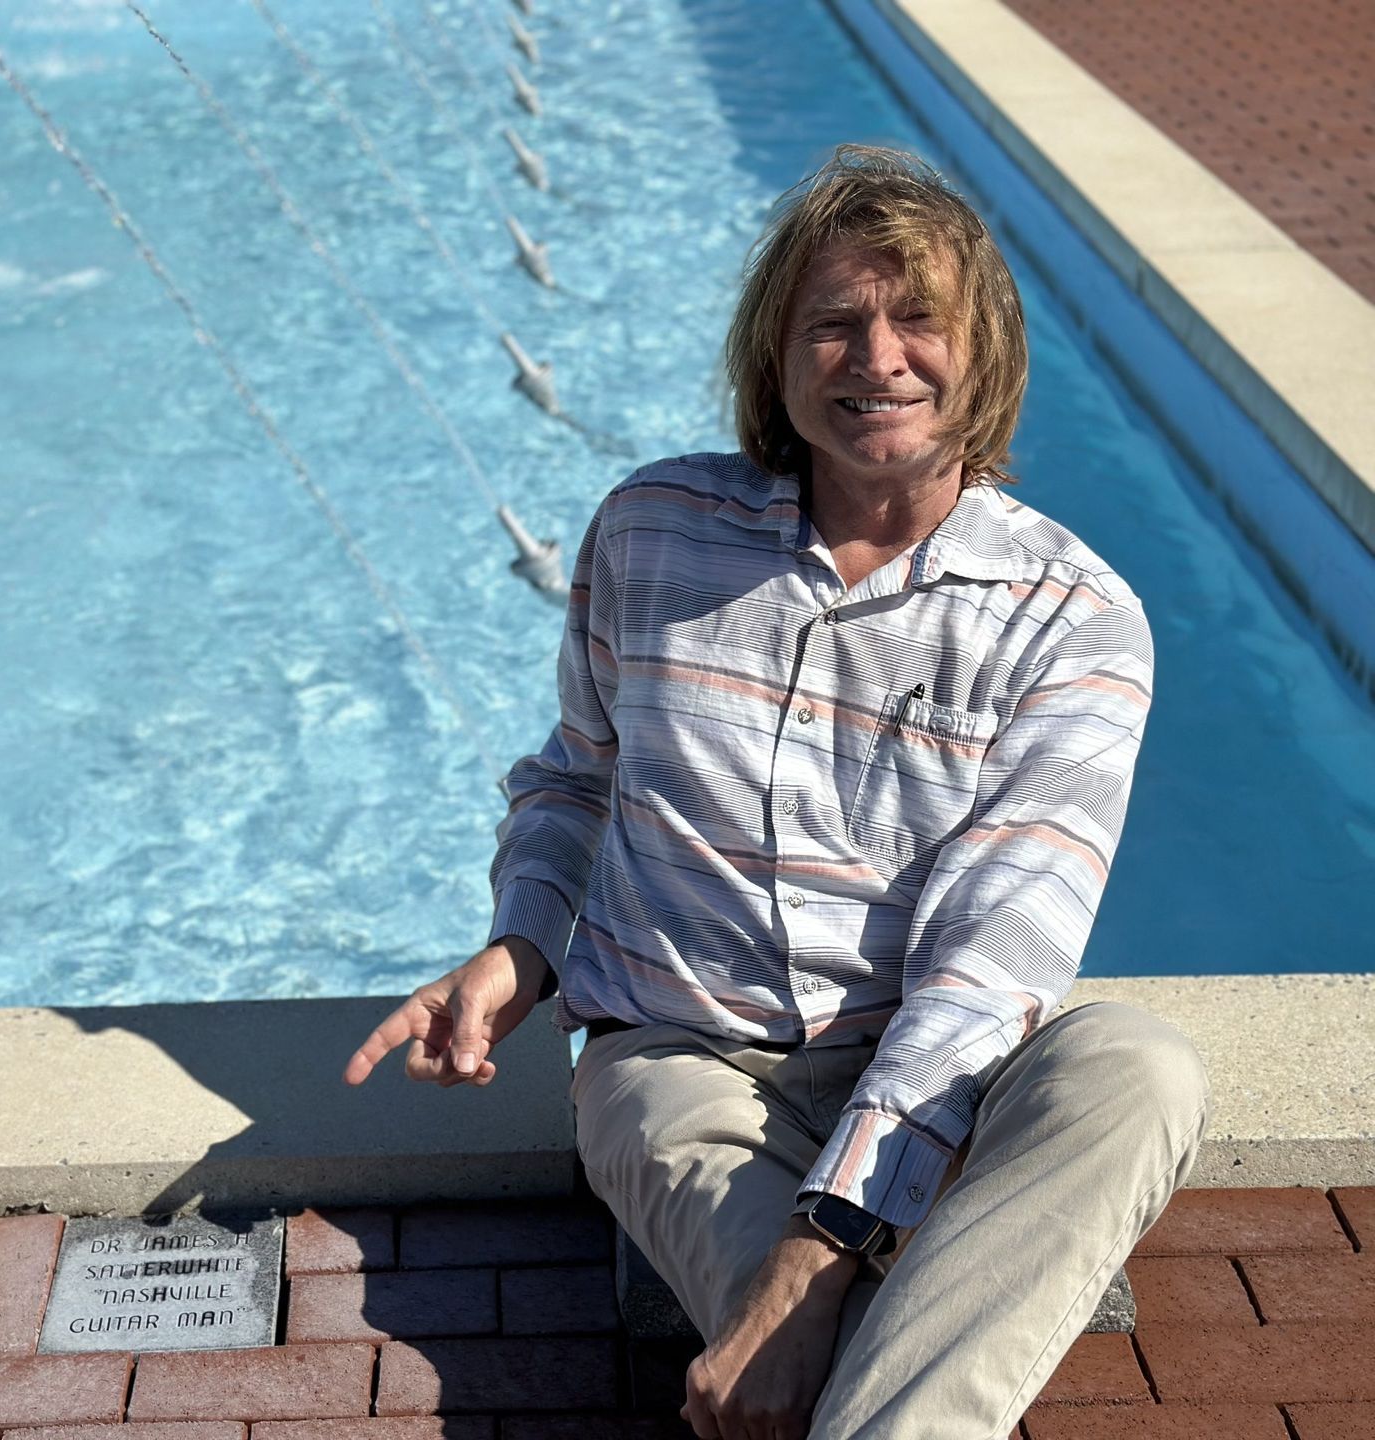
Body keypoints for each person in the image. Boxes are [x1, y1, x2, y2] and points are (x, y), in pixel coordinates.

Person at [346, 144, 1211, 1439]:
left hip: (934, 1061)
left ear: (988, 358)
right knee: (869, 1348)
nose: (877, 358)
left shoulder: (1073, 621)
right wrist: (522, 948)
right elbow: (575, 778)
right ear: (776, 353)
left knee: (1140, 1071)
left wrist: (814, 1262)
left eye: (919, 318)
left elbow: (989, 967)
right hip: (682, 1066)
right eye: (835, 323)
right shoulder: (649, 534)